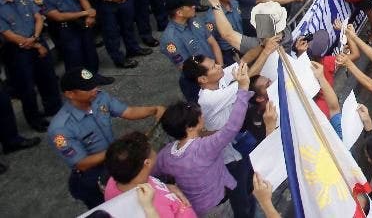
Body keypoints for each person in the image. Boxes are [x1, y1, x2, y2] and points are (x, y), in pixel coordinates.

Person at [48, 68, 164, 208]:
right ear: (70, 94)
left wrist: (154, 110)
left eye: (94, 85)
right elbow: (81, 163)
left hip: (116, 161)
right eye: (88, 88)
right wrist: (120, 149)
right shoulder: (60, 129)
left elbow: (128, 111)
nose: (94, 89)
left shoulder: (100, 98)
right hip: (93, 175)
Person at [154, 82, 256, 216]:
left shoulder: (166, 153)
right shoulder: (203, 148)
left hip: (196, 209)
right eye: (199, 114)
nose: (202, 114)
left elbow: (154, 174)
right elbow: (232, 127)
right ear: (190, 127)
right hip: (218, 206)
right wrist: (242, 90)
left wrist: (168, 187)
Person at [32, 0, 114, 84]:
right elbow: (57, 16)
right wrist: (86, 13)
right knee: (73, 57)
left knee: (90, 51)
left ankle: (93, 77)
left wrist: (90, 16)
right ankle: (78, 83)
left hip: (82, 22)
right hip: (65, 28)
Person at [0, 0, 61, 132]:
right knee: (26, 87)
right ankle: (35, 119)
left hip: (35, 39)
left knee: (47, 77)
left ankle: (54, 107)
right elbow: (8, 34)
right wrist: (34, 44)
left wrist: (35, 38)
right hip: (16, 51)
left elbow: (38, 17)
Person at [104, 131, 197, 217]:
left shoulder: (117, 178)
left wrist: (167, 187)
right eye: (151, 149)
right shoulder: (152, 209)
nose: (153, 150)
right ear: (147, 163)